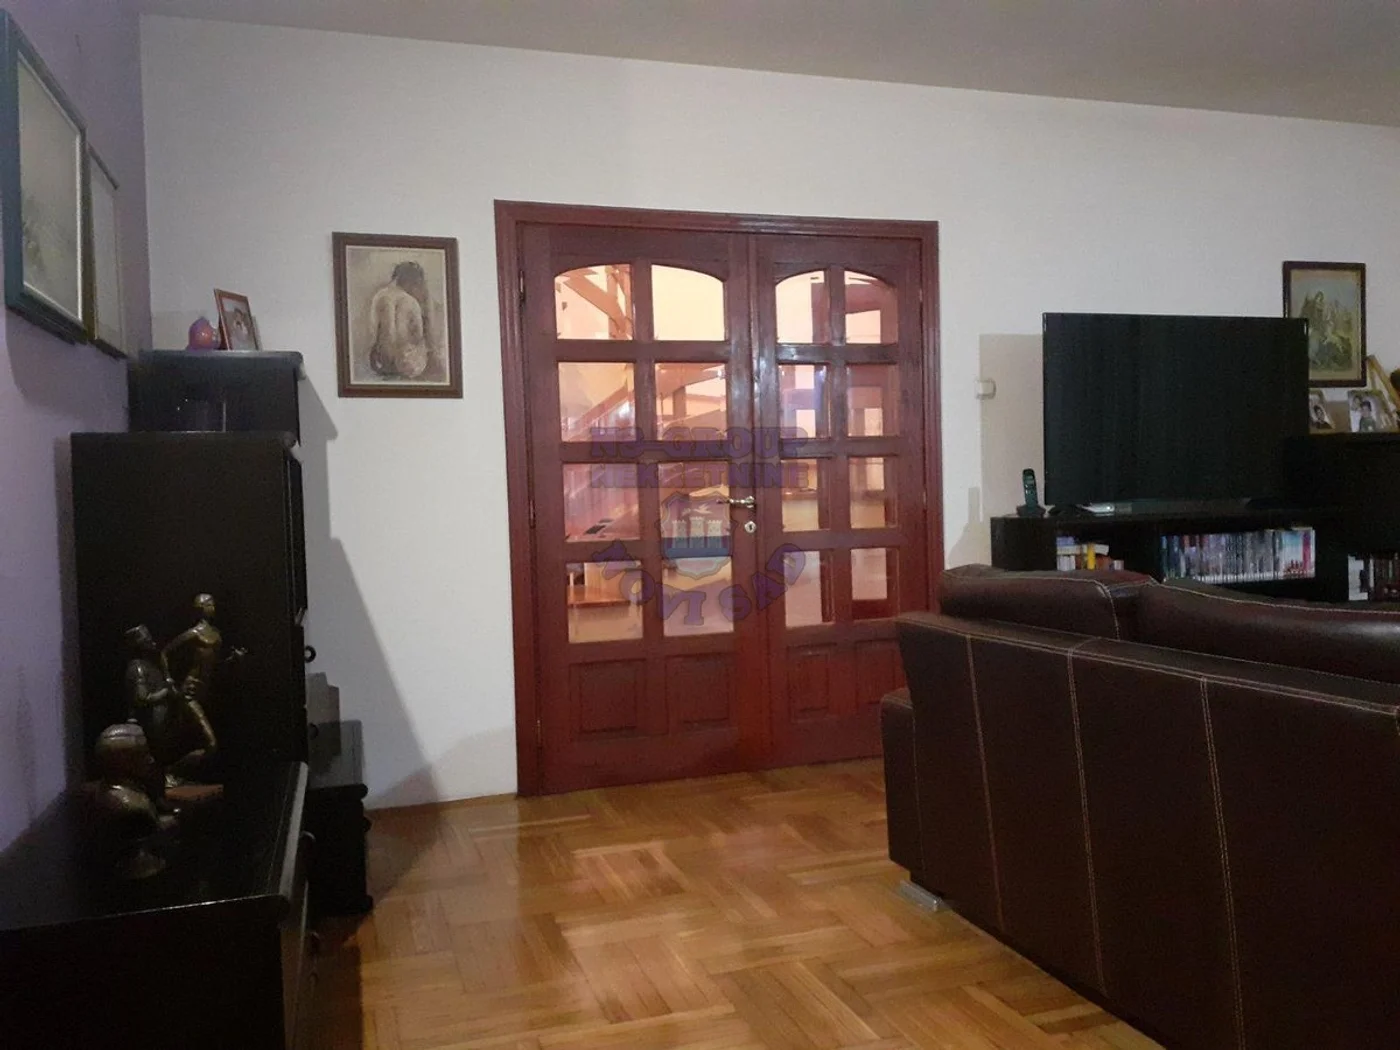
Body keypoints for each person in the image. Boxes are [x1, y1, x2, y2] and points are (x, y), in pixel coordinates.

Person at [368, 261, 432, 379]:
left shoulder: (378, 297)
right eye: (415, 284)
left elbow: (372, 331)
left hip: (381, 363)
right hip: (406, 364)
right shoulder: (411, 302)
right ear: (410, 281)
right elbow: (418, 335)